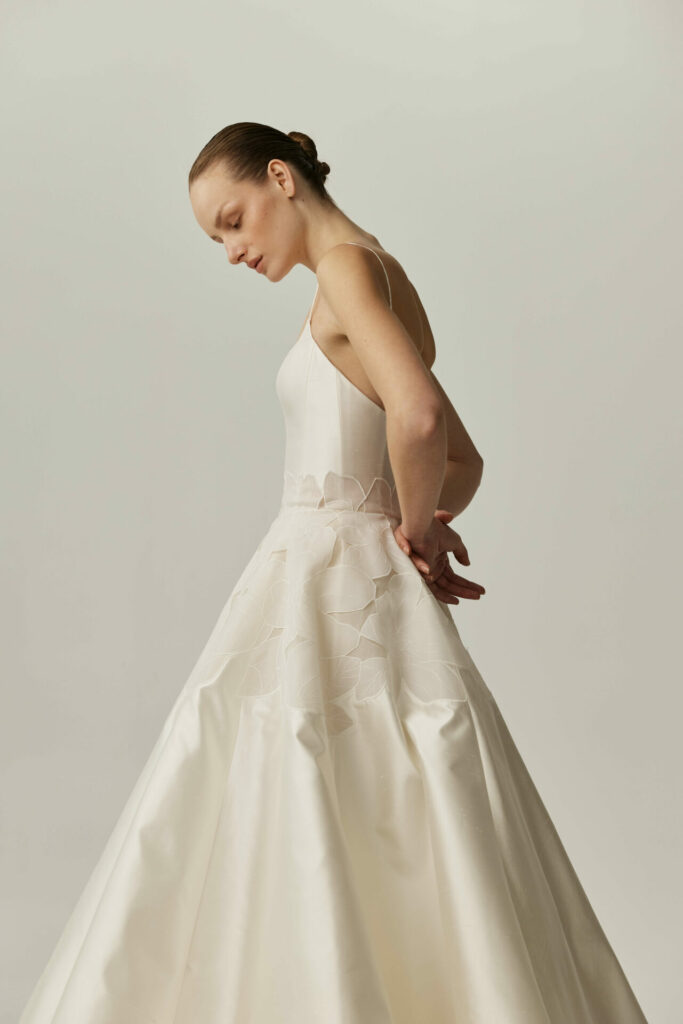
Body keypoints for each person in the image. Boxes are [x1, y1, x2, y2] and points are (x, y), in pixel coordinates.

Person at [18, 121, 649, 1023]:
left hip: (327, 580)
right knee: (388, 801)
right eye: (216, 239)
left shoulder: (348, 268)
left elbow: (421, 421)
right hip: (353, 586)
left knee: (297, 792)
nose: (231, 251)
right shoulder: (381, 273)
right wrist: (411, 525)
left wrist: (415, 529)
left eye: (233, 221)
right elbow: (461, 459)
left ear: (281, 177)